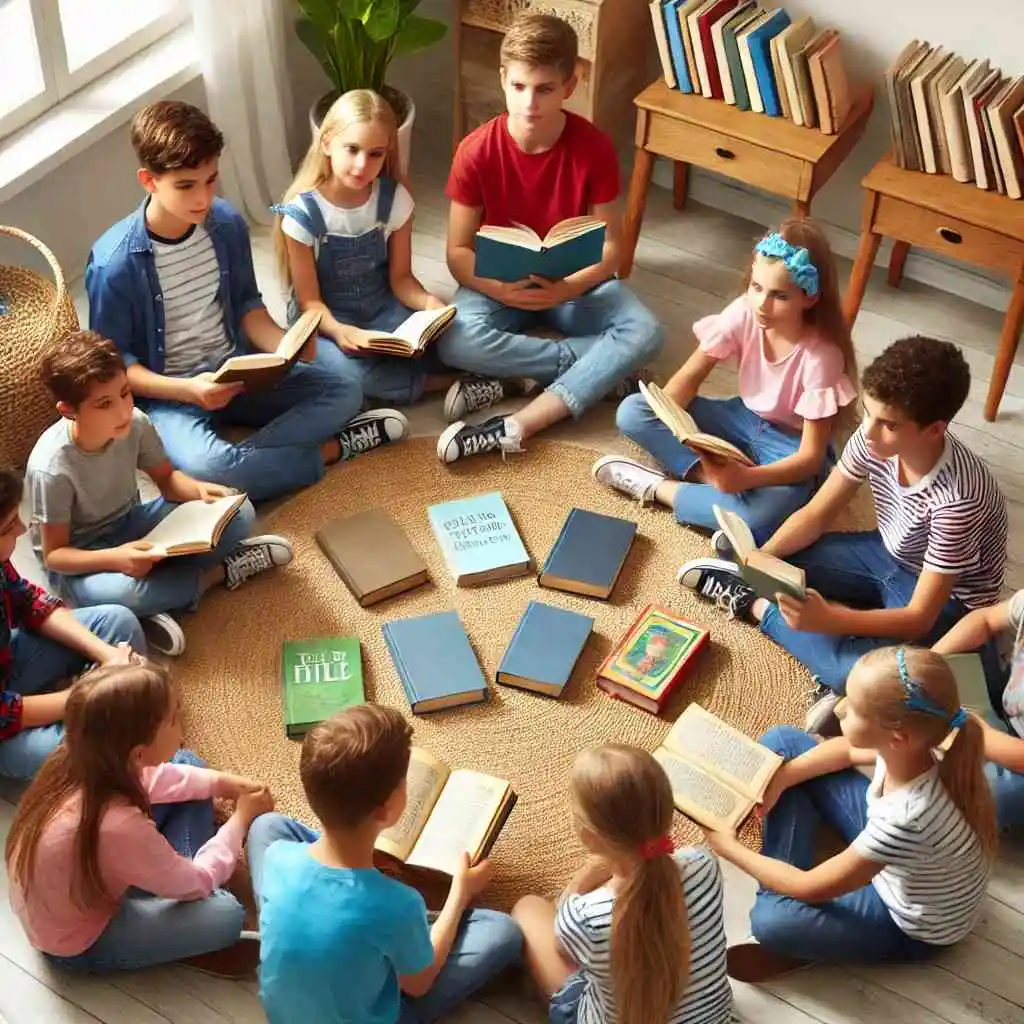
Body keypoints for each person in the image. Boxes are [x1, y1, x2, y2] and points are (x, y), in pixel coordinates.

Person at [86, 100, 408, 504]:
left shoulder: (224, 223)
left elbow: (246, 305)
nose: (204, 198)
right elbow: (115, 370)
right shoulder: (114, 264)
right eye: (186, 185)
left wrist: (284, 348)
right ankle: (330, 451)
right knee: (209, 467)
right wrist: (189, 390)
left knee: (345, 390)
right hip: (172, 396)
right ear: (149, 181)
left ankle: (247, 466)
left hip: (236, 372)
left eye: (211, 179)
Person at [679, 336, 1007, 732]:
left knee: (865, 678)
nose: (867, 432)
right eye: (867, 412)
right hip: (883, 551)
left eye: (888, 424)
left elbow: (920, 617)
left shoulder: (958, 500)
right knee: (777, 558)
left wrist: (832, 619)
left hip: (948, 603)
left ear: (934, 430)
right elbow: (817, 513)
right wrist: (760, 559)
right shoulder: (874, 438)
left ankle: (756, 607)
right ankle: (755, 587)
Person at [435, 13, 663, 464]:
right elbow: (458, 252)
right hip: (501, 285)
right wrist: (496, 287)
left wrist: (570, 287)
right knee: (454, 339)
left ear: (569, 86)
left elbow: (613, 248)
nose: (530, 103)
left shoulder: (593, 148)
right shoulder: (476, 151)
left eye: (544, 89)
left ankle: (519, 401)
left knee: (648, 330)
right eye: (519, 87)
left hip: (575, 283)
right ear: (503, 79)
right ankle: (601, 367)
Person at [707, 647, 997, 982]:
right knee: (782, 745)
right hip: (901, 860)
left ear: (897, 737)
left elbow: (809, 886)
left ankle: (805, 940)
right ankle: (793, 892)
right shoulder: (928, 741)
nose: (840, 707)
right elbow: (846, 750)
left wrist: (728, 847)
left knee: (771, 922)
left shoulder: (907, 817)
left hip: (908, 925)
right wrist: (785, 778)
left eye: (854, 709)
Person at [246, 704, 522, 1023]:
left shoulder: (278, 857)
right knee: (502, 932)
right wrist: (459, 895)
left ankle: (311, 923)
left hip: (287, 1011)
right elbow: (418, 985)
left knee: (266, 825)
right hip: (375, 1010)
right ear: (385, 810)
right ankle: (405, 936)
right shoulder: (400, 904)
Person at [27, 331, 293, 658]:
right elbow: (56, 556)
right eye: (104, 404)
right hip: (83, 558)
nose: (123, 411)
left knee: (241, 514)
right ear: (69, 410)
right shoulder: (52, 469)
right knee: (126, 594)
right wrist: (118, 558)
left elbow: (167, 481)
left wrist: (200, 493)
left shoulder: (136, 424)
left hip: (132, 523)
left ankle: (162, 598)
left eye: (125, 394)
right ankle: (216, 574)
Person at [594, 220, 857, 548]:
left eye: (779, 296)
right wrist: (675, 425)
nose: (762, 303)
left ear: (809, 298)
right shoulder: (744, 312)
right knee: (633, 410)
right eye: (756, 287)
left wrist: (748, 478)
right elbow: (687, 380)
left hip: (788, 446)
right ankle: (714, 490)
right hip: (741, 418)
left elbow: (810, 458)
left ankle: (662, 489)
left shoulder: (822, 356)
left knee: (764, 516)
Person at [5, 660, 274, 977]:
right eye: (174, 719)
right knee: (226, 914)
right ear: (138, 753)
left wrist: (223, 783)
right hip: (79, 941)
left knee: (190, 768)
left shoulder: (80, 758)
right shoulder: (118, 825)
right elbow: (196, 883)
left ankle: (167, 880)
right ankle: (176, 929)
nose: (182, 724)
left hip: (80, 884)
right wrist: (241, 818)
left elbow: (155, 780)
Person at [274, 89, 474, 419]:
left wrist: (429, 305)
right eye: (351, 149)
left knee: (454, 337)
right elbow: (310, 302)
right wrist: (341, 332)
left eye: (375, 154)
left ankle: (423, 378)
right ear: (326, 143)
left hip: (381, 306)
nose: (362, 164)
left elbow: (401, 279)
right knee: (342, 372)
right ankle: (444, 384)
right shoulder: (302, 213)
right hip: (325, 320)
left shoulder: (393, 201)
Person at [512, 745, 732, 1024]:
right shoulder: (704, 864)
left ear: (588, 837)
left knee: (527, 907)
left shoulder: (582, 917)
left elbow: (563, 950)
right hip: (713, 1019)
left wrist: (581, 881)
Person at [0, 468, 145, 780]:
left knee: (118, 622)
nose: (23, 529)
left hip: (8, 665)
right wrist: (87, 694)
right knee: (79, 752)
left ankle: (115, 716)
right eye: (9, 527)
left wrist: (107, 655)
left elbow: (29, 602)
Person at [934, 594, 1024, 829]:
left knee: (987, 798)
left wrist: (973, 728)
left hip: (1017, 755)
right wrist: (930, 661)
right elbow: (984, 620)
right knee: (962, 634)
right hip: (1008, 705)